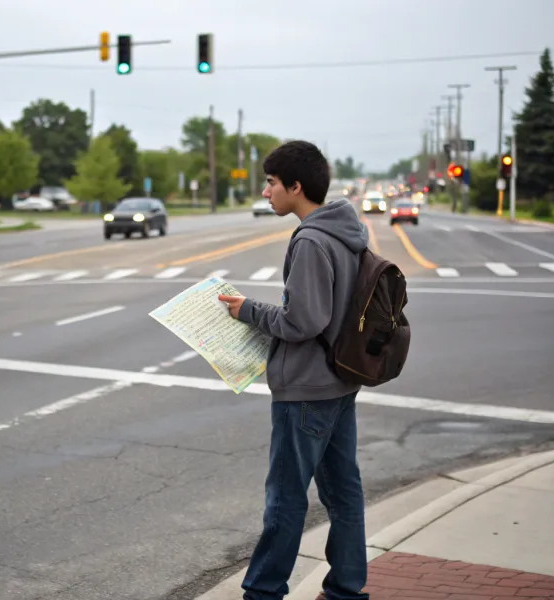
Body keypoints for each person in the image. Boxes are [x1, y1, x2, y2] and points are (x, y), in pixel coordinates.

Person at [218, 141, 370, 600]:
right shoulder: (349, 232)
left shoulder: (310, 240)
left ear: (295, 186)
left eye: (270, 182)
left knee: (284, 500)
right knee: (344, 495)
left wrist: (248, 310)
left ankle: (262, 592)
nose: (265, 192)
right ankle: (346, 588)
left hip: (305, 389)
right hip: (340, 382)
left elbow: (303, 320)